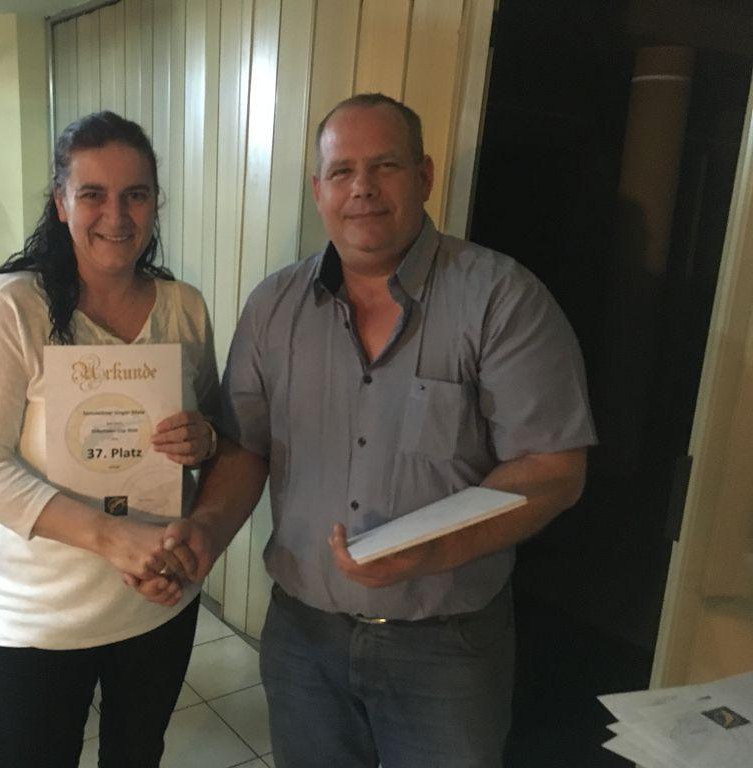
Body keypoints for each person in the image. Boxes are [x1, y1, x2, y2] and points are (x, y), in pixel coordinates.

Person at [141, 93, 598, 767]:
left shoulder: (502, 299)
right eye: (342, 171)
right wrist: (204, 533)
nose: (362, 188)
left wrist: (434, 551)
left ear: (424, 175)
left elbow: (555, 470)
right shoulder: (273, 308)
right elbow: (244, 446)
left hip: (446, 649)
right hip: (303, 639)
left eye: (384, 165)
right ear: (318, 189)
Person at [0, 111, 219, 768]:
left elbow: (213, 433)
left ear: (156, 203)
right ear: (62, 202)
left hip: (158, 600)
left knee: (137, 755)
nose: (116, 216)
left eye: (136, 194)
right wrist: (111, 537)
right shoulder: (10, 306)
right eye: (93, 193)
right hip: (43, 617)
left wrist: (203, 439)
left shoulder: (183, 306)